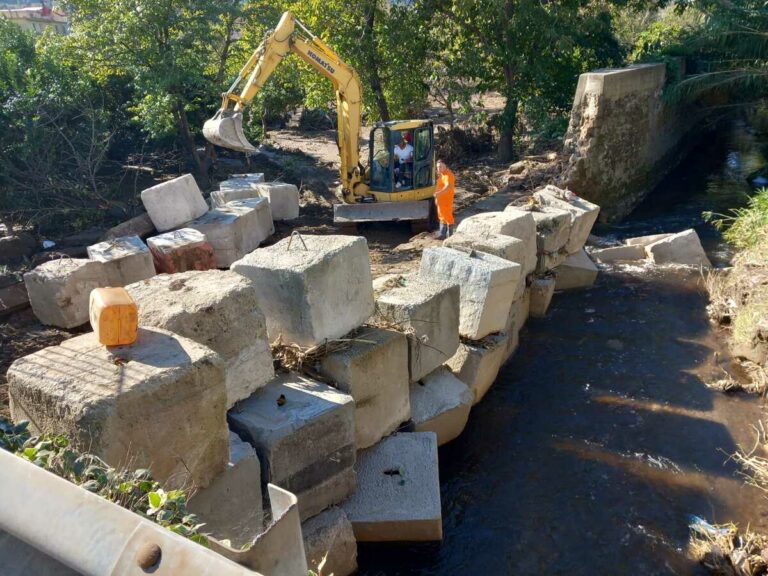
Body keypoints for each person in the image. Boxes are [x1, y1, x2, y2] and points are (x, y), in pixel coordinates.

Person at [434, 159, 455, 239]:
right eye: (437, 167)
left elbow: (448, 186)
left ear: (446, 166)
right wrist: (437, 198)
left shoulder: (448, 175)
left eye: (440, 166)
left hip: (446, 201)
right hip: (440, 201)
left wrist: (438, 194)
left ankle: (450, 236)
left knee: (448, 217)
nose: (438, 168)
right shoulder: (442, 175)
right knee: (441, 216)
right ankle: (442, 234)